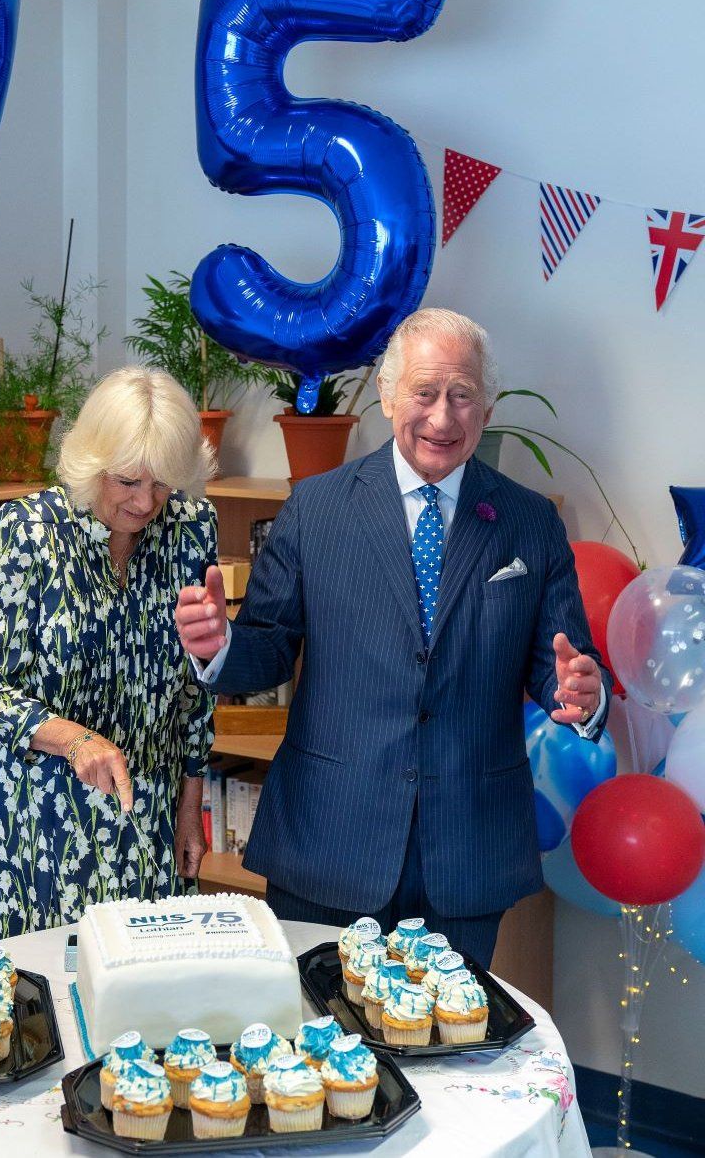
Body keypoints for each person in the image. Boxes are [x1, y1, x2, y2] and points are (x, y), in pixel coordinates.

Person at [176, 308, 612, 968]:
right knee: (318, 1056)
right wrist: (218, 646)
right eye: (425, 392)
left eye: (462, 395)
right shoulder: (316, 509)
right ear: (386, 396)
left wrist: (583, 694)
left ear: (486, 407)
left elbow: (558, 664)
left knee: (451, 1052)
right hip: (329, 843)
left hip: (466, 854)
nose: (443, 418)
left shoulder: (528, 523)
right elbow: (267, 645)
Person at [0, 367, 217, 947]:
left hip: (144, 812)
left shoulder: (192, 529)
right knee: (35, 1008)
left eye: (164, 484)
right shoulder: (29, 532)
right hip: (39, 826)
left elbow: (196, 689)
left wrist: (190, 807)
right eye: (128, 481)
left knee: (144, 1009)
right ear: (93, 463)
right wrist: (78, 741)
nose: (146, 502)